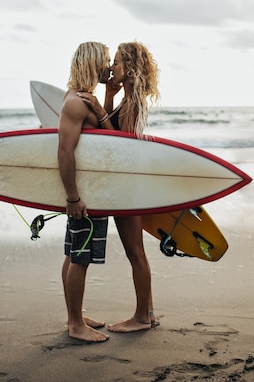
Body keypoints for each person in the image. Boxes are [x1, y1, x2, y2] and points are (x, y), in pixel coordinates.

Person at [78, 41, 160, 332]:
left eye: (116, 62)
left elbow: (119, 145)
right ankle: (147, 313)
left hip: (125, 186)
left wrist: (100, 110)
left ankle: (140, 318)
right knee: (136, 251)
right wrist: (107, 99)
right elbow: (110, 130)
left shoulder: (134, 102)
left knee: (135, 252)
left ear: (129, 67)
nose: (111, 67)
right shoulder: (127, 99)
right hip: (127, 183)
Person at [58, 41, 112, 342]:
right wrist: (73, 197)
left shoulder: (81, 99)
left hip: (86, 192)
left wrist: (105, 102)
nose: (109, 66)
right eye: (105, 60)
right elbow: (65, 152)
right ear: (93, 62)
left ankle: (73, 317)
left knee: (72, 253)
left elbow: (107, 141)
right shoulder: (77, 103)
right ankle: (76, 326)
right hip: (84, 194)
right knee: (80, 257)